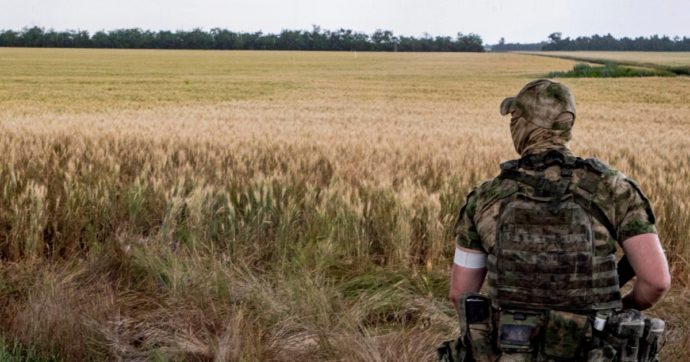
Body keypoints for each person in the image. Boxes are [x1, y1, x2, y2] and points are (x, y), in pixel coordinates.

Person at [443, 79, 671, 362]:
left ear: (523, 124)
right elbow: (656, 281)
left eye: (514, 118)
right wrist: (617, 310)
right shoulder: (615, 189)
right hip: (596, 351)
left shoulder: (486, 197)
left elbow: (460, 294)